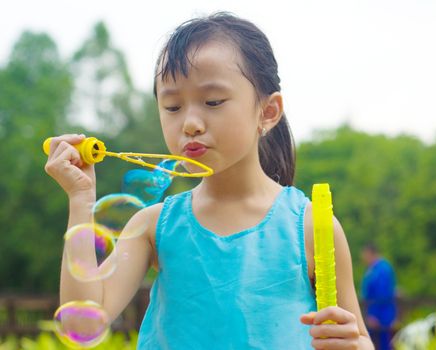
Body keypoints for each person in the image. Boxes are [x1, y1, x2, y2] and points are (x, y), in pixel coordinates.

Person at [45, 12, 374, 349]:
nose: (190, 123)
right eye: (172, 106)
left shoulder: (310, 226)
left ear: (268, 111)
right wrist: (81, 199)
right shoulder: (153, 226)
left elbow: (359, 339)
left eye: (213, 101)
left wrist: (353, 343)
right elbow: (80, 323)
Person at [360, 242, 397, 350]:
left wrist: (373, 315)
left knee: (383, 344)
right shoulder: (372, 269)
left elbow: (382, 295)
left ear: (370, 253)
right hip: (375, 314)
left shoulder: (382, 269)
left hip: (382, 316)